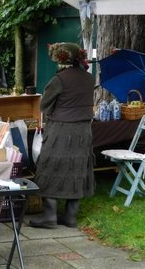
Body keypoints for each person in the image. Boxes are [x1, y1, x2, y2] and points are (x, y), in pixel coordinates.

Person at [29, 42, 95, 229]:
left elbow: (45, 105)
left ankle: (49, 217)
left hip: (61, 130)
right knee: (77, 168)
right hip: (83, 131)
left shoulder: (59, 80)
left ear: (60, 60)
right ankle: (70, 217)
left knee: (50, 167)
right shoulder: (89, 78)